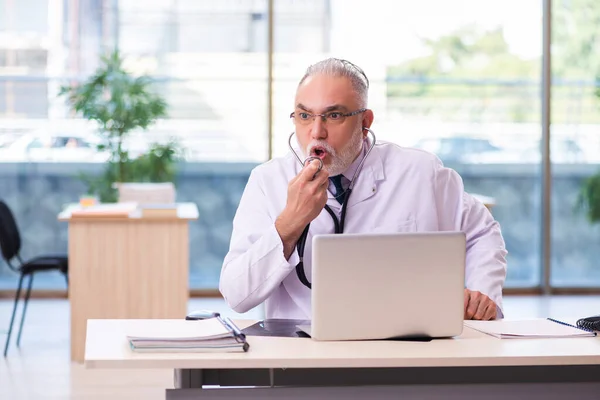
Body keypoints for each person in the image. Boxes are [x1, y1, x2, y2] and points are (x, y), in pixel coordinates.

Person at [219, 58, 507, 321]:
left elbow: (482, 232)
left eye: (333, 116)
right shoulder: (267, 180)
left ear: (365, 122)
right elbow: (237, 295)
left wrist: (483, 293)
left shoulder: (419, 172)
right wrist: (289, 224)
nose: (316, 132)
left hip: (403, 346)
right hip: (300, 352)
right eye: (304, 116)